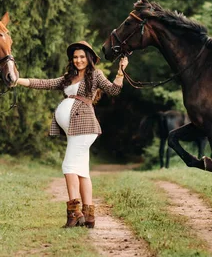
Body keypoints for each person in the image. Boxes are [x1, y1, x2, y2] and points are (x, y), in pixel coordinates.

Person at [15, 41, 128, 228]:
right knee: (82, 171)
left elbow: (114, 90)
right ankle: (89, 216)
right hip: (74, 130)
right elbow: (44, 83)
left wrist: (120, 71)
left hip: (84, 127)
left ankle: (74, 214)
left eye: (82, 57)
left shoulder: (95, 75)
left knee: (68, 166)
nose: (78, 60)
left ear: (89, 58)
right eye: (75, 57)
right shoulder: (69, 77)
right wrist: (18, 80)